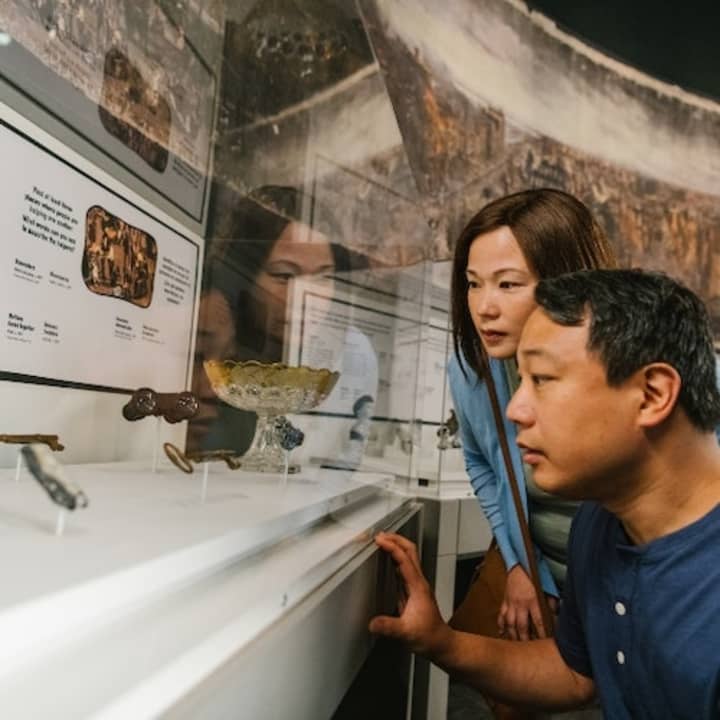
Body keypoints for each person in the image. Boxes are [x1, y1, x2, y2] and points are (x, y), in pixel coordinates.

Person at [372, 269, 720, 718]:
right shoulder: (598, 521)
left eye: (542, 379)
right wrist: (440, 640)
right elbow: (574, 673)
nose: (516, 410)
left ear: (652, 395)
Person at [448, 188, 617, 645]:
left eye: (508, 284)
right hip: (549, 586)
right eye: (473, 283)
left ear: (568, 279)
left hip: (632, 588)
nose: (485, 307)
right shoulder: (471, 368)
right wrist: (521, 565)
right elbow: (481, 463)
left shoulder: (639, 362)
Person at [187, 183, 359, 454]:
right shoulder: (213, 329)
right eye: (283, 275)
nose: (306, 298)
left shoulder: (343, 357)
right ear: (244, 274)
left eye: (324, 277)